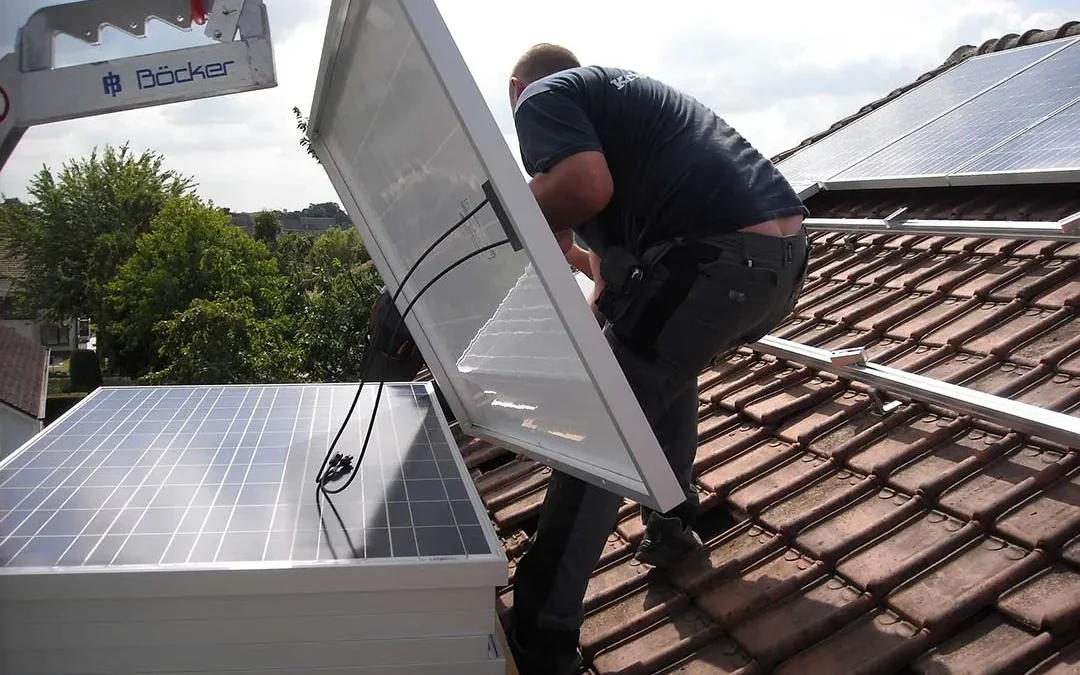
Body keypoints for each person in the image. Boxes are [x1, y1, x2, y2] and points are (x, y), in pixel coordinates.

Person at [504, 44, 811, 674]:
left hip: (713, 262)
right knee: (650, 369)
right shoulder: (625, 111)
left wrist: (504, 211)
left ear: (516, 90)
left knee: (604, 424)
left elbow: (582, 186)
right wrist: (594, 329)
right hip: (779, 268)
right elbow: (616, 283)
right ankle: (670, 531)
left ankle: (542, 631)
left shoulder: (543, 96)